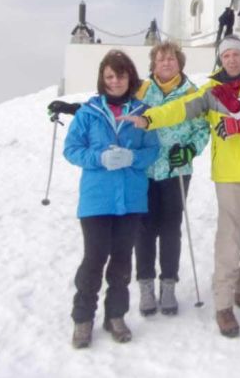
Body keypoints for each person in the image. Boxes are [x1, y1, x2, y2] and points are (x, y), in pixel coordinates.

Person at [125, 35, 240, 338]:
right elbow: (180, 108)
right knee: (228, 238)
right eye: (226, 56)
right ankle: (224, 304)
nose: (232, 60)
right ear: (221, 59)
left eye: (236, 55)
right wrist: (148, 118)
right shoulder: (211, 91)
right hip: (229, 174)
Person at [63, 50, 160, 348]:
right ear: (102, 80)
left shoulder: (142, 112)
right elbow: (71, 149)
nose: (115, 81)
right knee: (94, 258)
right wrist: (100, 157)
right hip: (96, 200)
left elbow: (153, 150)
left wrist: (133, 156)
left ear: (129, 77)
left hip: (130, 200)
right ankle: (83, 318)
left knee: (121, 260)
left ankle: (115, 315)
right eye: (109, 77)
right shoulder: (88, 112)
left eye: (120, 75)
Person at [134, 42, 210, 317]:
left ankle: (168, 284)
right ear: (153, 64)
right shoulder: (141, 90)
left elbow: (202, 128)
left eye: (171, 59)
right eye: (161, 59)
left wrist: (191, 148)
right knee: (144, 229)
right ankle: (145, 285)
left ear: (180, 64)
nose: (166, 63)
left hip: (176, 170)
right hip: (145, 170)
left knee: (170, 228)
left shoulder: (192, 93)